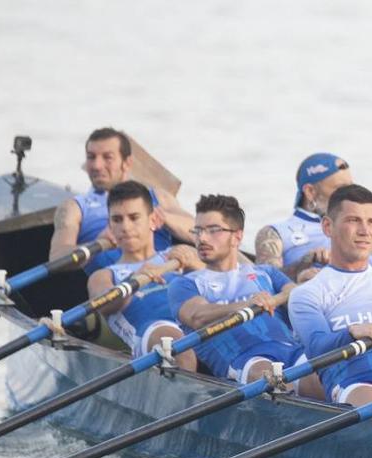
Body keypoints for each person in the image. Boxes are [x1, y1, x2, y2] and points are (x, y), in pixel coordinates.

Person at [167, 194, 320, 395]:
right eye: (198, 231)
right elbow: (198, 316)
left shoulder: (265, 272)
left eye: (213, 230)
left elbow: (292, 291)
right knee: (269, 379)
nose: (202, 238)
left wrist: (275, 299)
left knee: (327, 381)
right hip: (245, 360)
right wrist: (248, 304)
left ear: (237, 236)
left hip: (290, 350)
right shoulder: (185, 283)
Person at [288, 184, 372, 408]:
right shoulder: (307, 294)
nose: (365, 231)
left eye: (371, 222)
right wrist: (352, 332)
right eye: (353, 220)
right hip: (353, 381)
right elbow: (317, 348)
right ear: (328, 227)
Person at [86, 181, 203, 371]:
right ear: (110, 227)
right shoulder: (104, 275)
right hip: (154, 330)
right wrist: (134, 280)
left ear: (153, 220)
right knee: (178, 347)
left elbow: (224, 284)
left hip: (199, 320)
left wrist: (196, 264)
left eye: (134, 217)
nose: (125, 226)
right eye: (117, 220)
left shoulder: (177, 254)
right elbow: (104, 304)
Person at [48, 127, 193, 274]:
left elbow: (199, 232)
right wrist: (95, 244)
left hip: (163, 276)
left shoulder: (157, 196)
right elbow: (56, 258)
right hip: (113, 284)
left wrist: (163, 218)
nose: (97, 166)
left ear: (127, 163)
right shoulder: (74, 207)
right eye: (91, 157)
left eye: (107, 157)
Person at [254, 152, 354, 282]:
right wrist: (304, 263)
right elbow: (265, 284)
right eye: (340, 189)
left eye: (352, 188)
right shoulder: (273, 233)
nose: (350, 195)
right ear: (310, 192)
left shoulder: (362, 228)